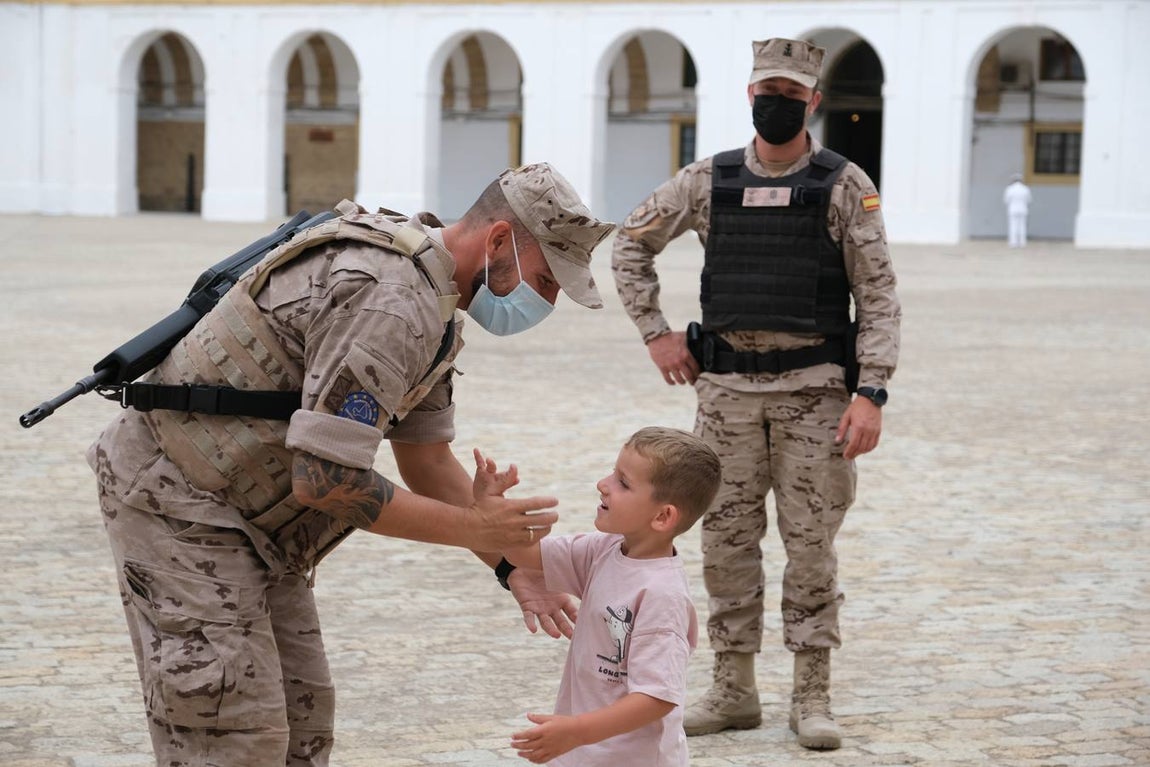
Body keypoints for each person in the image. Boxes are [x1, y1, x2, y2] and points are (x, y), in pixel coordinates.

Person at [86, 163, 614, 767]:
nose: (545, 301)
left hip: (260, 521)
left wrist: (508, 565)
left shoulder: (435, 305)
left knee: (303, 724)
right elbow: (328, 479)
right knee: (229, 731)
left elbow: (426, 460)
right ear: (498, 241)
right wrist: (475, 528)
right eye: (545, 280)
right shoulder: (390, 300)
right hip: (180, 500)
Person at [610, 38, 902, 750]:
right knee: (725, 541)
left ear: (813, 102)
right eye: (768, 89)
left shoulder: (841, 184)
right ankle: (734, 689)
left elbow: (879, 293)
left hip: (816, 395)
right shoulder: (708, 181)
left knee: (811, 546)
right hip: (727, 396)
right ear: (750, 95)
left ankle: (812, 694)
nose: (779, 101)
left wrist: (872, 392)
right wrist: (656, 333)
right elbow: (629, 244)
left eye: (793, 92)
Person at [482, 427, 721, 766]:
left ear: (663, 516)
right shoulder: (604, 549)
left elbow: (657, 696)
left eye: (623, 482)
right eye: (613, 472)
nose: (603, 483)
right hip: (581, 753)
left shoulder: (661, 595)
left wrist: (578, 731)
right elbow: (524, 555)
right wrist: (492, 510)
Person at [1003, 173, 1032, 248]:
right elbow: (1029, 200)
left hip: (1012, 209)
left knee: (1013, 225)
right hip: (1023, 209)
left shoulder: (1009, 189)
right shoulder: (1025, 188)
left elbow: (1006, 200)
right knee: (1022, 226)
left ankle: (1013, 242)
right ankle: (1022, 242)